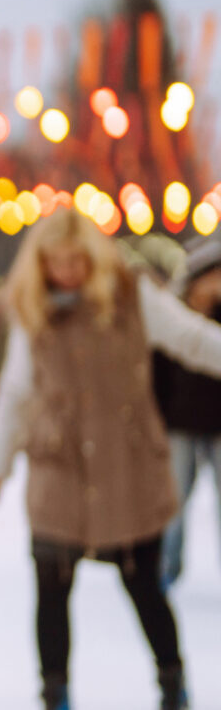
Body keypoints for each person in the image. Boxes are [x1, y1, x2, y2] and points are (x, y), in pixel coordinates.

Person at [0, 213, 221, 710]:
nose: (67, 273)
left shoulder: (132, 298)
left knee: (143, 584)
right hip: (59, 465)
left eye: (76, 261)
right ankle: (54, 692)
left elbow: (193, 341)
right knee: (51, 584)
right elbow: (16, 393)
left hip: (126, 465)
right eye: (56, 263)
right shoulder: (34, 311)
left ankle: (172, 683)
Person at [158, 239, 221, 587]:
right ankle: (169, 565)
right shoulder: (172, 318)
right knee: (175, 499)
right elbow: (158, 373)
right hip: (180, 422)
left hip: (218, 423)